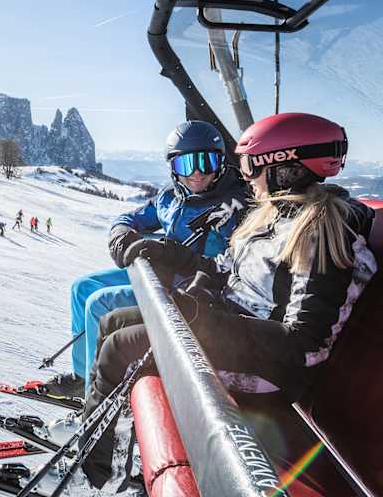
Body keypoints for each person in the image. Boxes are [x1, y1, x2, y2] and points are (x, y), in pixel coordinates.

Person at [76, 113, 378, 491]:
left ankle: (99, 475)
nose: (246, 176)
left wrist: (204, 319)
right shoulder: (275, 217)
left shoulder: (320, 233)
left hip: (268, 371)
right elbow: (227, 271)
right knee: (113, 323)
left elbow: (304, 346)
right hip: (235, 334)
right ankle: (96, 449)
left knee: (121, 347)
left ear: (282, 167)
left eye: (251, 165)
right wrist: (177, 257)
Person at [42, 120, 249, 400]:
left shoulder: (232, 205)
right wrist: (121, 236)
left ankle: (99, 391)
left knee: (99, 303)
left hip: (191, 289)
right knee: (82, 288)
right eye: (186, 165)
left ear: (221, 163)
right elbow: (130, 218)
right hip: (160, 273)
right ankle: (83, 376)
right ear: (173, 168)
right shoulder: (170, 197)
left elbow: (235, 259)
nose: (198, 173)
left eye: (207, 162)